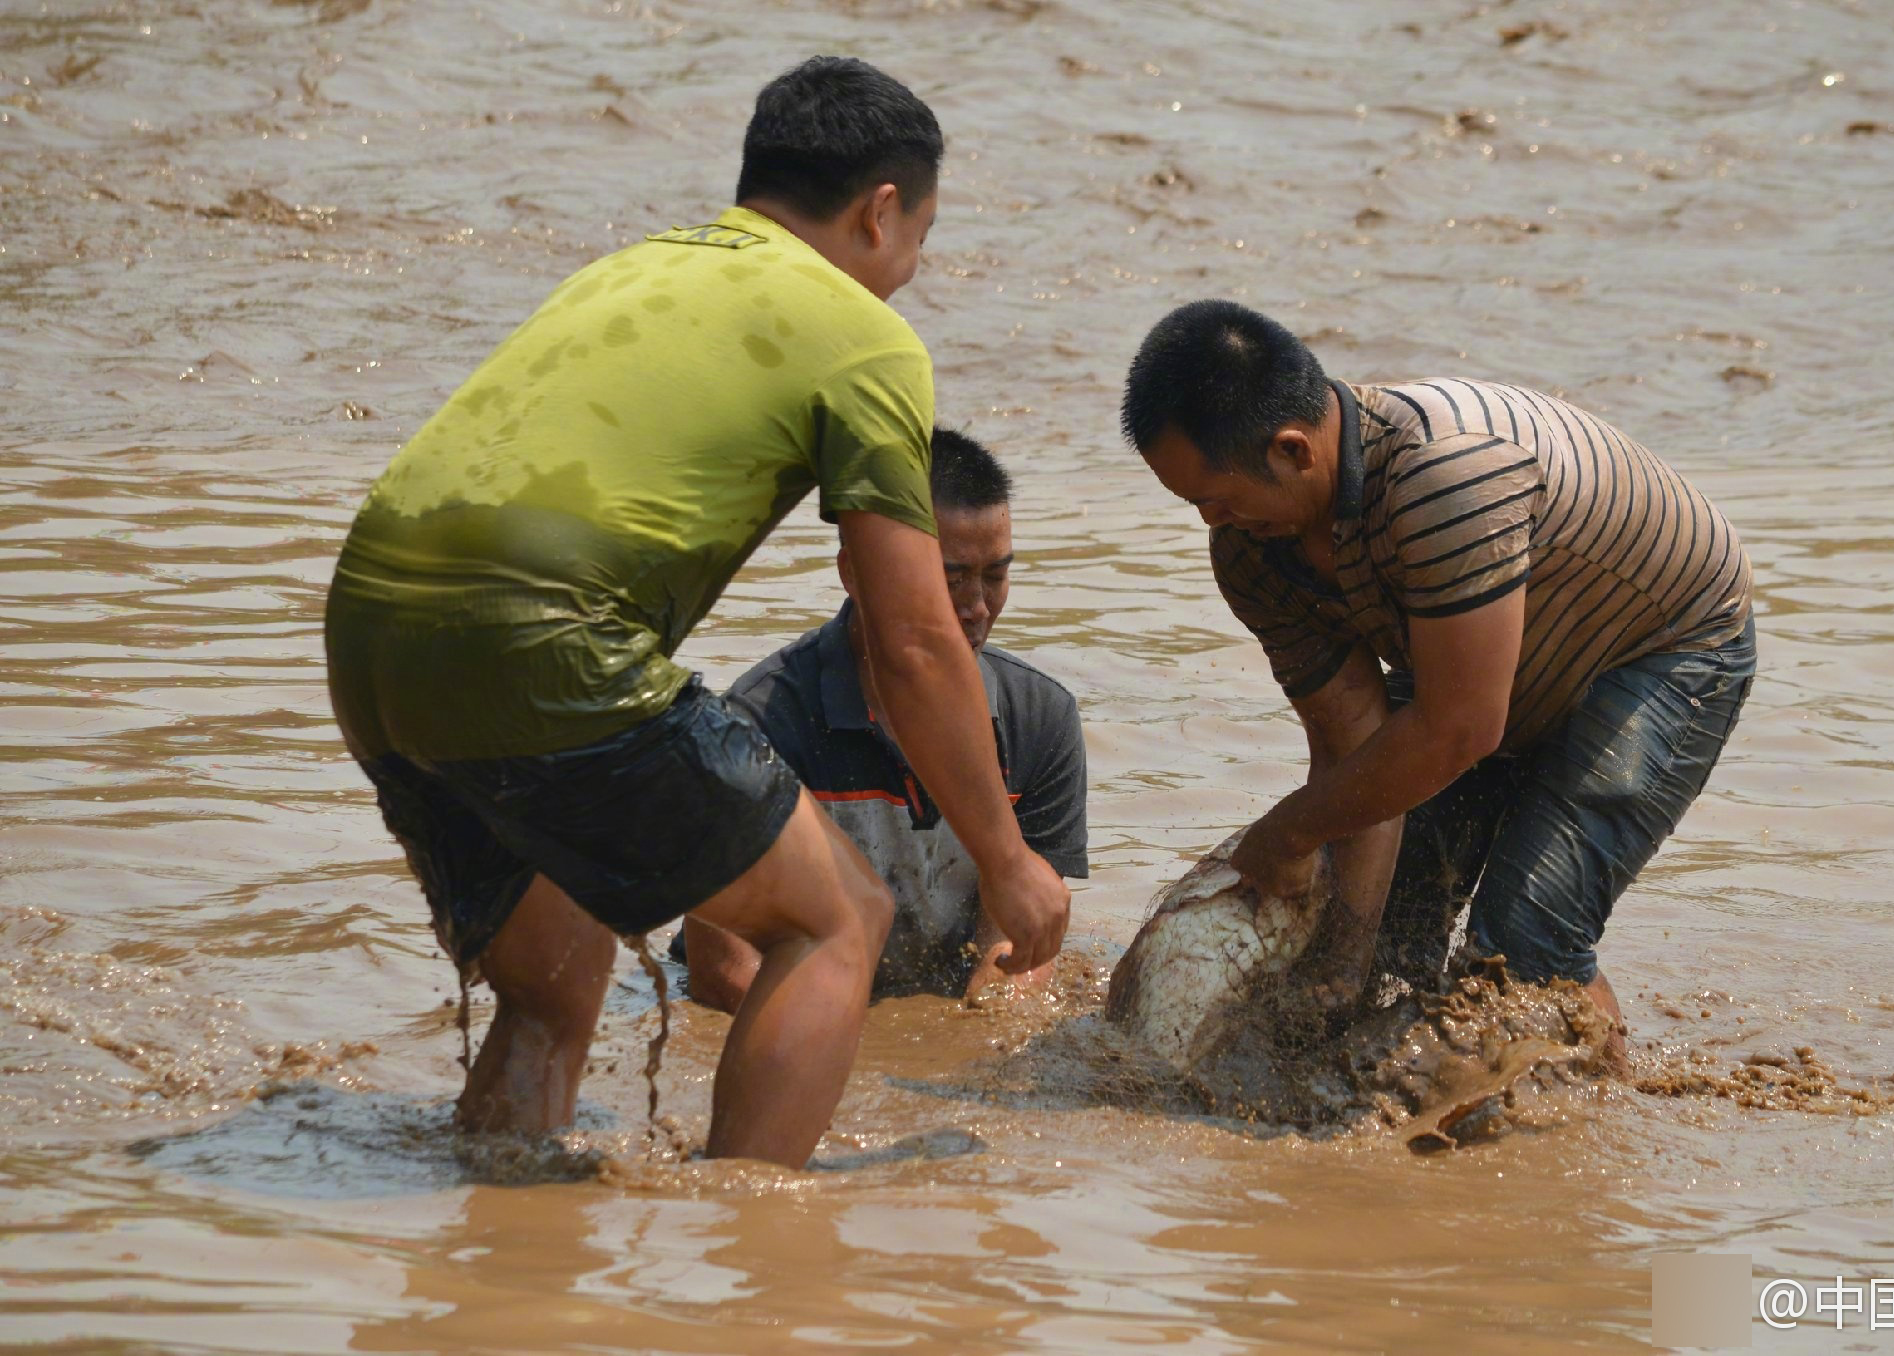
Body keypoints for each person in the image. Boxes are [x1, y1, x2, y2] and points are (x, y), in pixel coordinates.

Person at [323, 57, 1070, 1170]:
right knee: (835, 920)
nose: (910, 271)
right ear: (879, 213)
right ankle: (749, 1258)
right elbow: (911, 636)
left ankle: (491, 1237)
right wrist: (1006, 860)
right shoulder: (862, 336)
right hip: (543, 637)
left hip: (370, 633)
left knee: (557, 984)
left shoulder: (632, 269)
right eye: (917, 239)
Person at [1121, 299, 1755, 1060]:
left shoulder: (1445, 477)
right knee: (1379, 923)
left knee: (1525, 941)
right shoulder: (1252, 553)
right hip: (1482, 673)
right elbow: (1350, 745)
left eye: (1216, 499)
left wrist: (1286, 832)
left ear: (1293, 450)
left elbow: (1458, 731)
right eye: (1194, 505)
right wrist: (1342, 965)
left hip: (1662, 649)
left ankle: (1597, 1128)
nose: (1210, 523)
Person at [675, 428, 1089, 1008]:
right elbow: (724, 976)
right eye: (949, 580)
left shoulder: (1039, 719)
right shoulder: (755, 727)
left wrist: (971, 1043)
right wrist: (873, 1067)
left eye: (994, 576)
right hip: (792, 996)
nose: (976, 607)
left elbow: (1019, 950)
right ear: (856, 573)